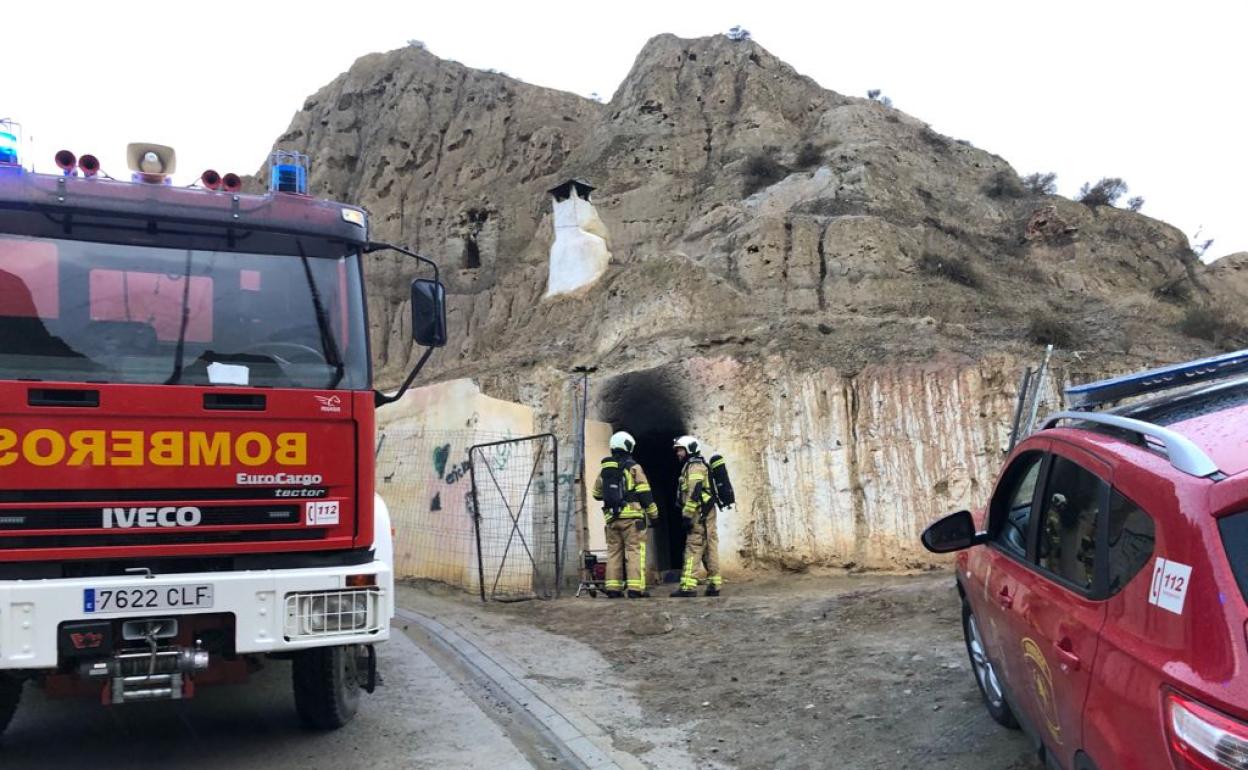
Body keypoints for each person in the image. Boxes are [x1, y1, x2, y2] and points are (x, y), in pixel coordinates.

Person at [591, 431, 659, 598]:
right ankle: (636, 589)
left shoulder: (606, 470)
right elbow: (644, 493)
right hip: (632, 518)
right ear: (628, 447)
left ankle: (613, 589)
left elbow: (596, 494)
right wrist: (654, 514)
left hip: (612, 519)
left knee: (614, 552)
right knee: (634, 551)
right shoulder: (634, 468)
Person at [671, 435, 721, 598]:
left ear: (689, 449)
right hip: (705, 512)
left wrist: (687, 515)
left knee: (693, 546)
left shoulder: (694, 467)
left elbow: (694, 492)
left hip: (699, 514)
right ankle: (714, 584)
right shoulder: (696, 465)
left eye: (680, 450)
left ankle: (688, 586)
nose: (678, 453)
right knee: (709, 547)